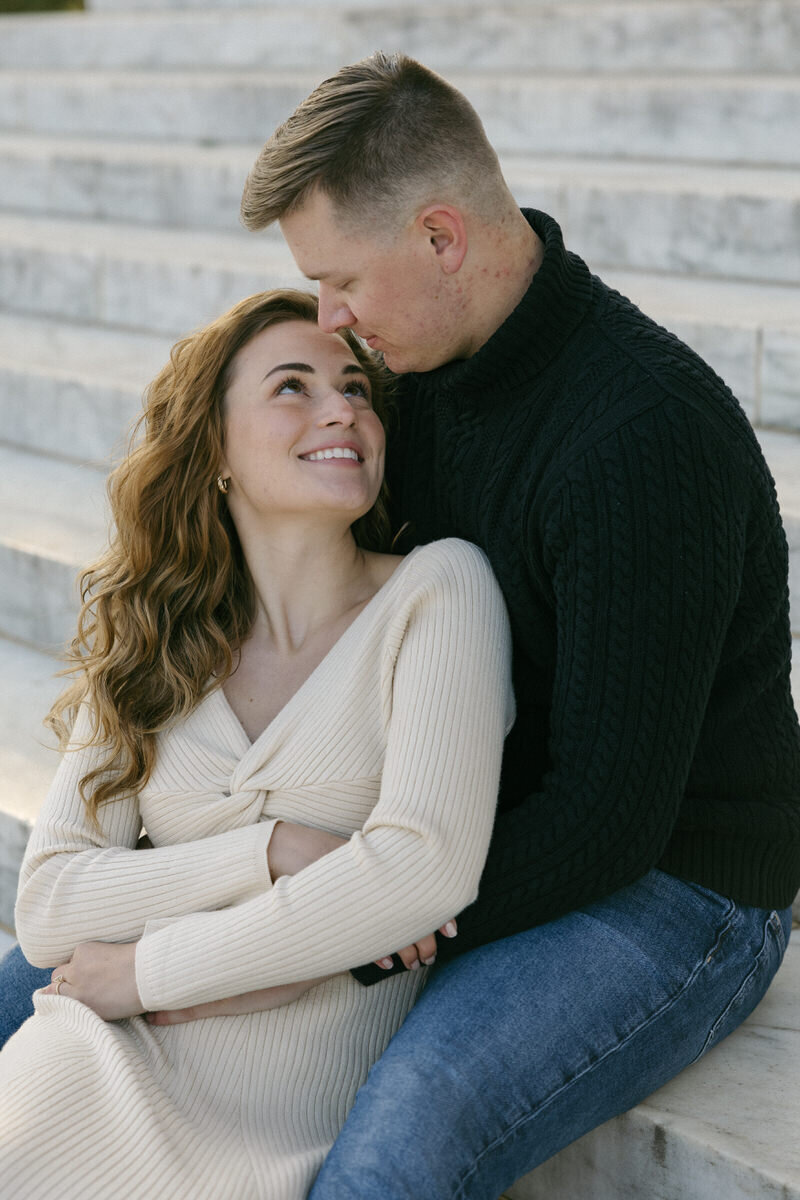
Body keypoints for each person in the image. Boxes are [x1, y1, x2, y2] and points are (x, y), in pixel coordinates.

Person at [233, 53, 797, 1198]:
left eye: (340, 279)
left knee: (403, 1141)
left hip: (677, 888)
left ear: (442, 236)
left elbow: (605, 821)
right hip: (447, 826)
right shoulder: (412, 364)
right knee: (37, 981)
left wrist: (348, 919)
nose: (327, 319)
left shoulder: (640, 438)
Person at [0, 288, 514, 1198]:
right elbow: (50, 905)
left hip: (271, 1123)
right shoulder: (155, 640)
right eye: (293, 386)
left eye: (356, 387)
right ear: (217, 450)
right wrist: (271, 853)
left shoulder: (437, 591)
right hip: (83, 1063)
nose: (342, 409)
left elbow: (420, 871)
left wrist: (152, 971)